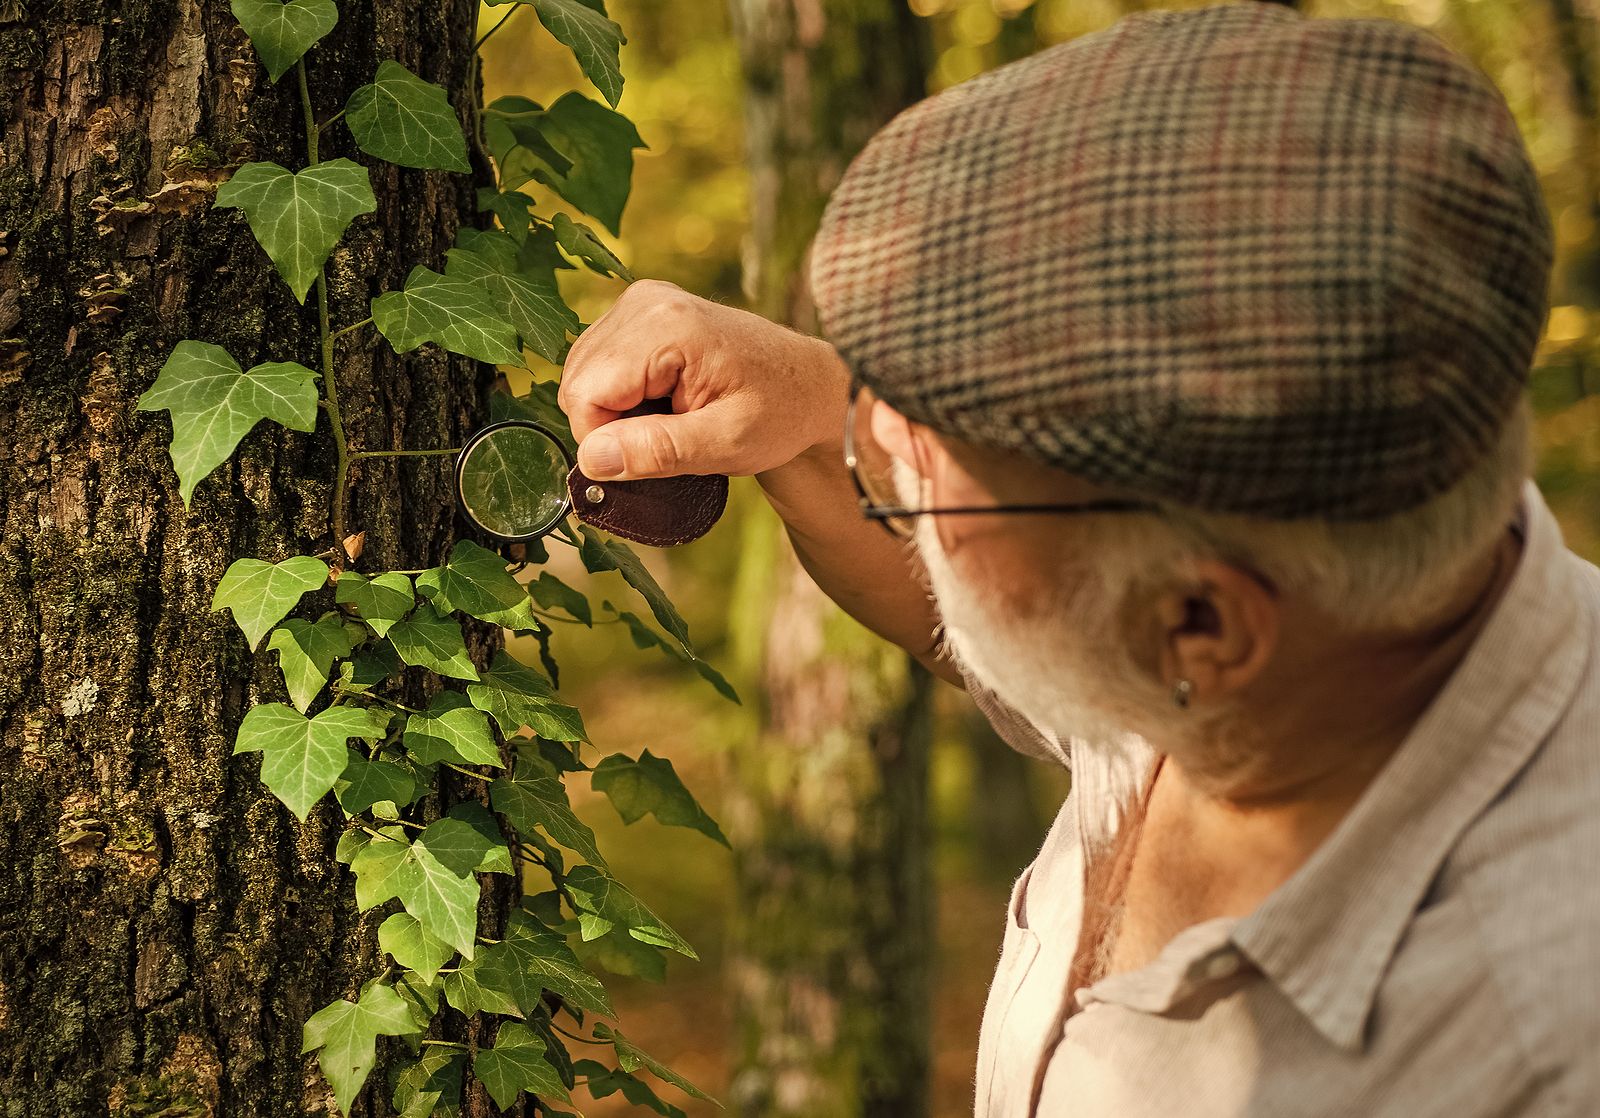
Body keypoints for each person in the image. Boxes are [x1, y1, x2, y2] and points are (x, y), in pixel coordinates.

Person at [558, 2, 1600, 1115]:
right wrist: (822, 406)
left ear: (1197, 626)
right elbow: (1019, 624)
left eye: (931, 456)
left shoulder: (1520, 1050)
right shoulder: (1330, 586)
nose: (884, 433)